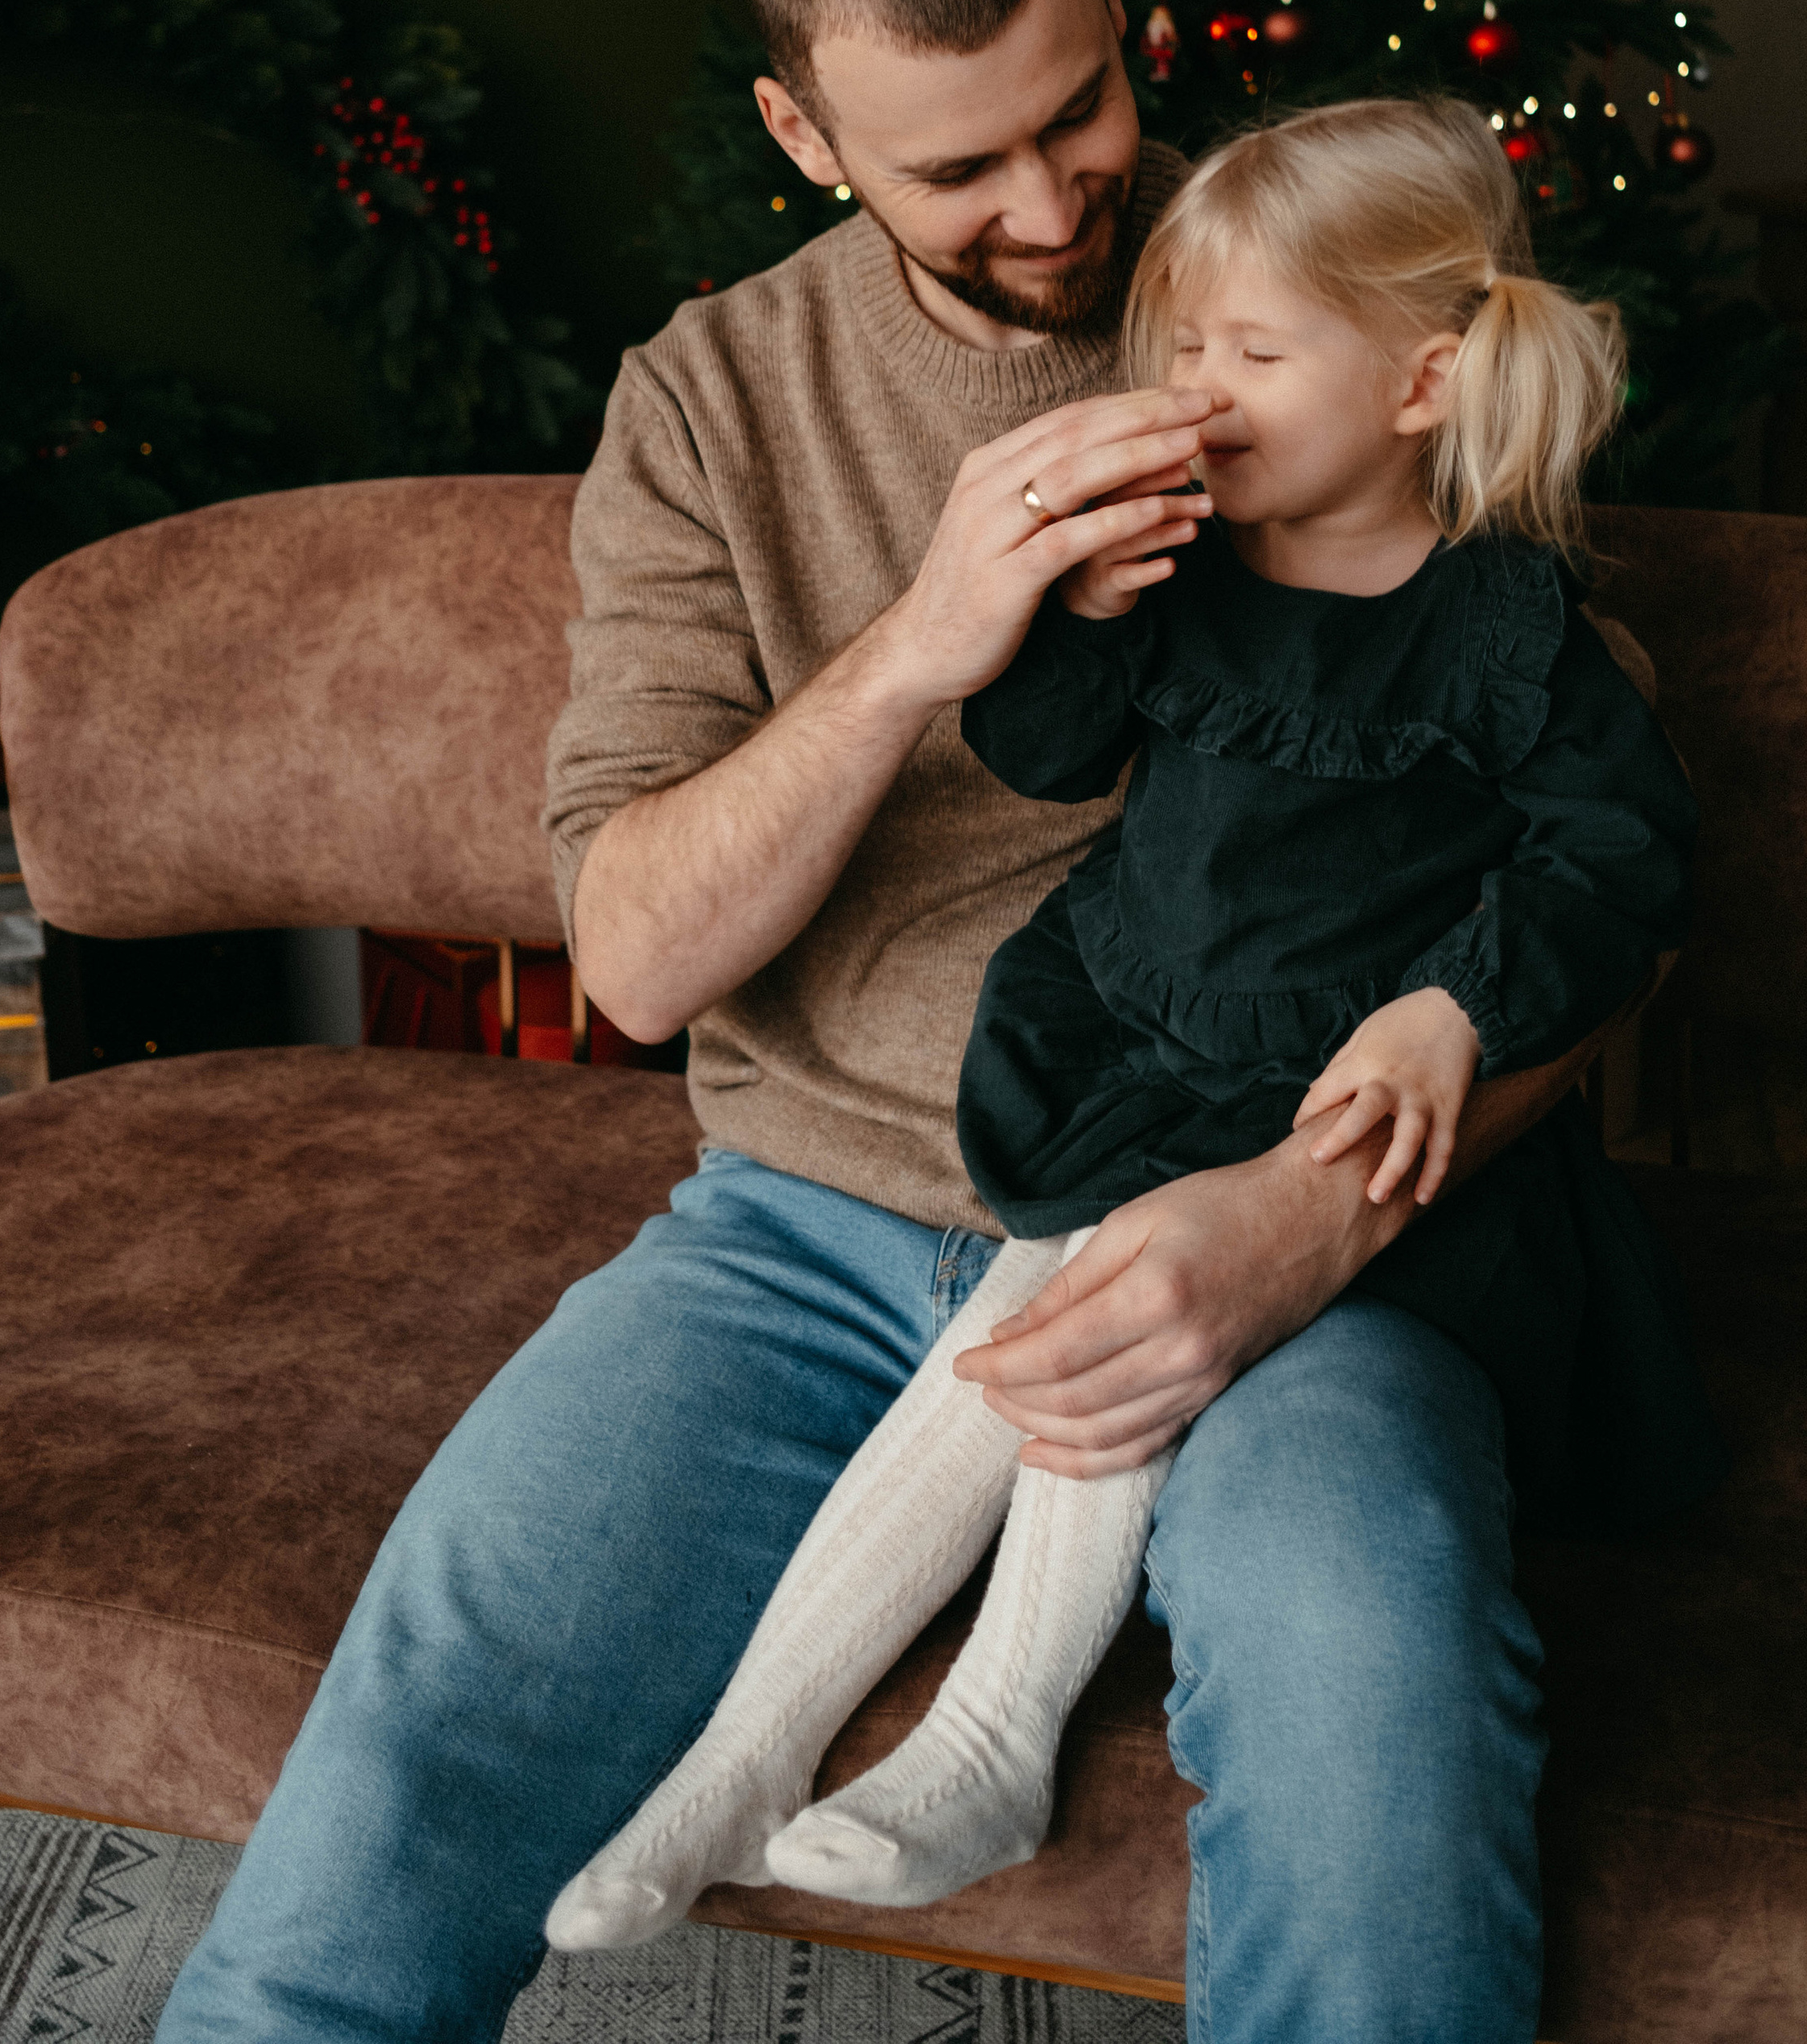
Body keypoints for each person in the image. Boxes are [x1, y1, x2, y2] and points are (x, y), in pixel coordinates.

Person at [155, 0, 1673, 2044]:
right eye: (959, 169)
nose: (1057, 205)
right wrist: (924, 641)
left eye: (1082, 112)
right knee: (441, 1701)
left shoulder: (1312, 281)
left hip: (1281, 1216)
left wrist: (1313, 1214)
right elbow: (646, 960)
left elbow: (1585, 844)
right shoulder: (710, 405)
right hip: (808, 1220)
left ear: (1118, 11)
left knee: (1377, 1670)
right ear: (802, 131)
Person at [542, 97, 1715, 1954]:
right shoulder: (1180, 566)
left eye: (1250, 350)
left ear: (1419, 387)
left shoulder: (1503, 624)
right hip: (1141, 1055)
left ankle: (983, 1745)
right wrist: (1068, 604)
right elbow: (1041, 756)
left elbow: (1620, 859)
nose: (1196, 383)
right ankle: (742, 1761)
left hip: (1324, 1123)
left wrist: (1450, 1012)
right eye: (1181, 344)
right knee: (1002, 1341)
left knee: (1072, 1335)